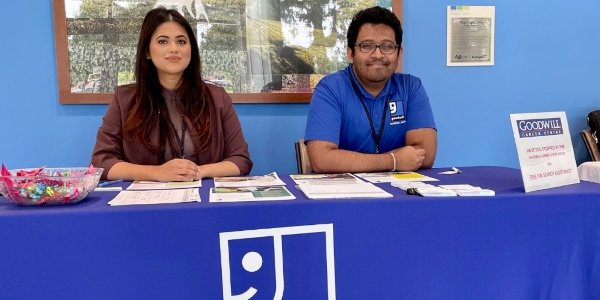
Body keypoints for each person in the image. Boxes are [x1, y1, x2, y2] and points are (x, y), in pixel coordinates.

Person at [91, 8, 252, 182]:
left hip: (204, 201)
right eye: (163, 41)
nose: (174, 49)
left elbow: (240, 160)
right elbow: (102, 163)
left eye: (181, 41)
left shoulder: (217, 97)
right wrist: (156, 173)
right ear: (147, 51)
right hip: (146, 203)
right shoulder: (124, 99)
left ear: (192, 49)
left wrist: (197, 171)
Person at [304, 6, 437, 173]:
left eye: (387, 46)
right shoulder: (330, 89)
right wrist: (394, 161)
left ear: (399, 53)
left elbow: (424, 155)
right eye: (367, 46)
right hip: (343, 194)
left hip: (399, 193)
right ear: (351, 53)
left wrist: (349, 160)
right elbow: (322, 160)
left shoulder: (411, 87)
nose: (378, 54)